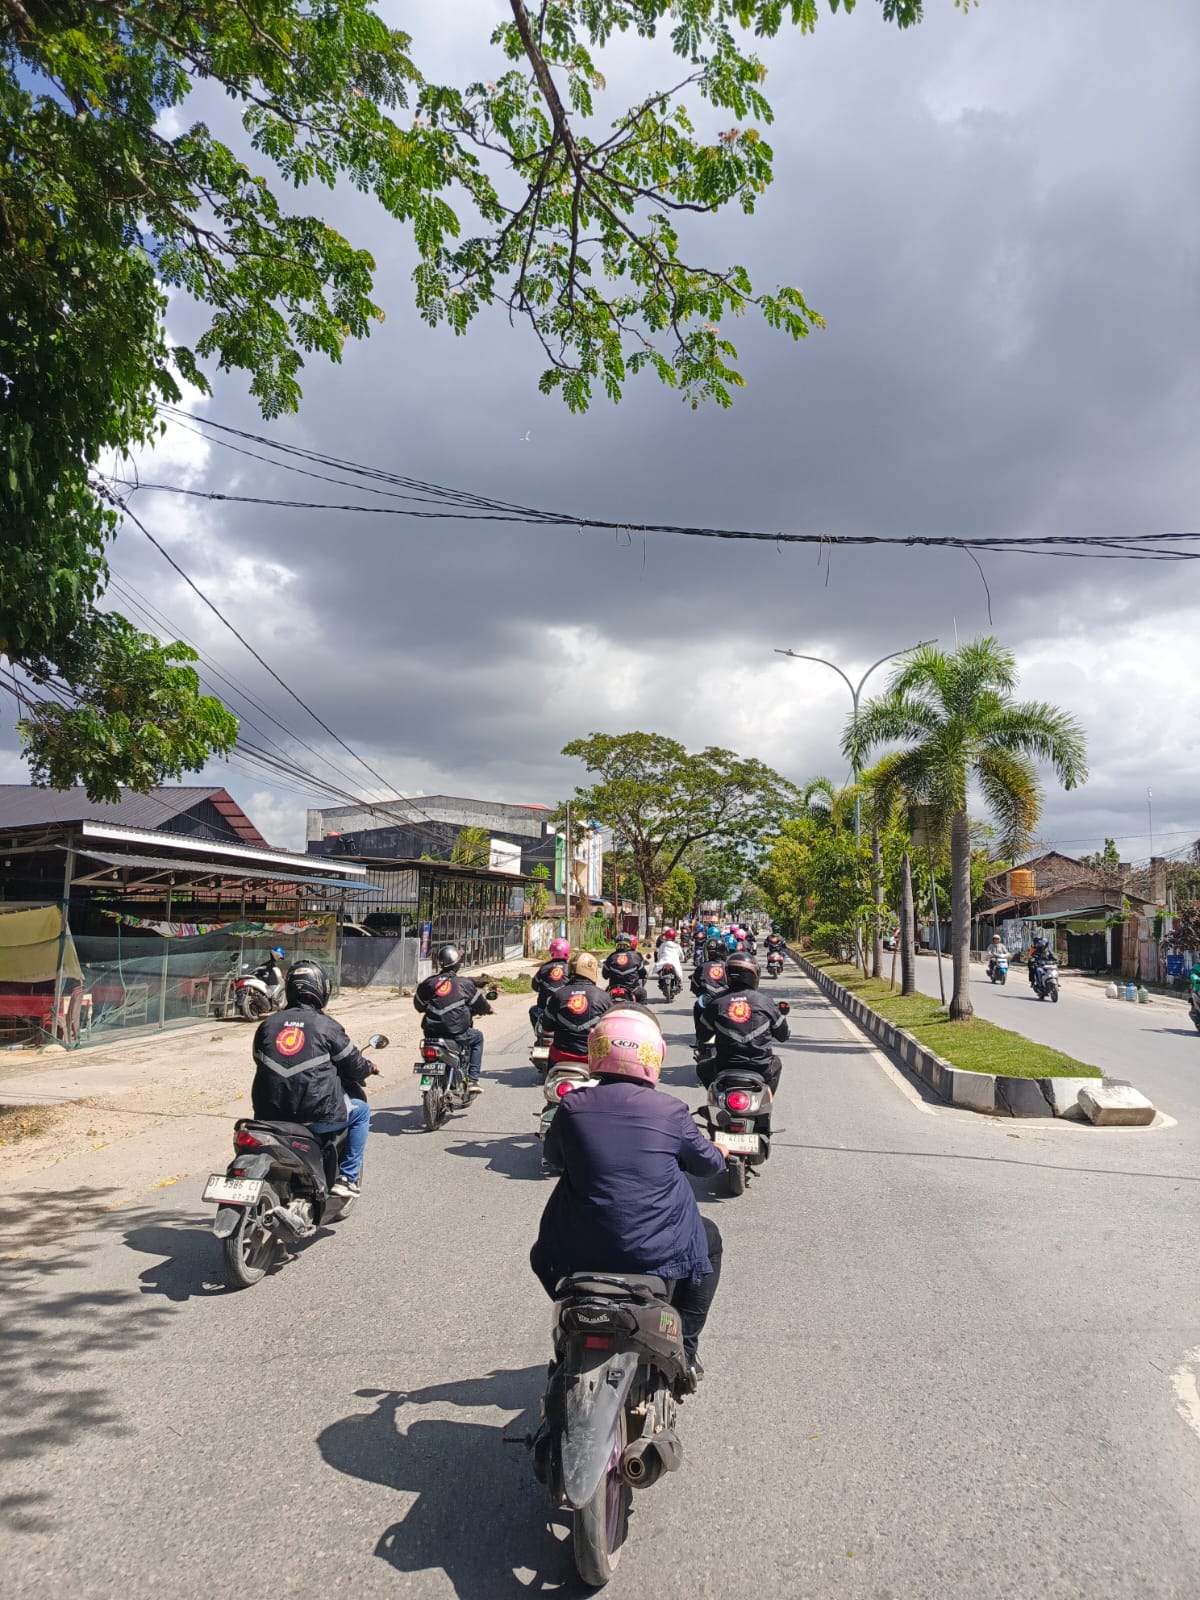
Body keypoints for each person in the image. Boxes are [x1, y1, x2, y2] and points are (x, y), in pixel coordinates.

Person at [531, 1005, 729, 1382]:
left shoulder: (572, 1106)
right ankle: (686, 1347)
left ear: (597, 1050)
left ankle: (574, 1314)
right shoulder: (671, 1111)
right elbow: (707, 1165)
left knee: (540, 1255)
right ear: (653, 1056)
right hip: (657, 1252)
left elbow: (554, 1157)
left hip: (575, 1246)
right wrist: (719, 1152)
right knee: (711, 1241)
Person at [251, 959, 377, 1197]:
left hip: (269, 1115)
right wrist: (369, 1067)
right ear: (321, 989)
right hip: (316, 1114)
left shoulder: (267, 1025)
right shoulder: (327, 1026)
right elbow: (354, 1066)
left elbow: (259, 1060)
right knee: (361, 1112)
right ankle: (348, 1178)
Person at [699, 953, 789, 1094]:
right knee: (776, 1063)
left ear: (728, 975)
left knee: (702, 1068)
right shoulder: (766, 1002)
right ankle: (766, 1099)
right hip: (761, 1067)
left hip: (724, 1065)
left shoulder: (716, 1003)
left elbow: (703, 1036)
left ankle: (716, 1098)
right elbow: (783, 1035)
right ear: (754, 975)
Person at [413, 943, 493, 1094]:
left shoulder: (428, 983)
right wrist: (488, 1009)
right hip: (456, 1033)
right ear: (457, 963)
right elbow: (481, 1005)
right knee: (477, 1038)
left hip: (431, 1034)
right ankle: (473, 1080)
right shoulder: (464, 984)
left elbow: (419, 1005)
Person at [543, 950, 613, 1063]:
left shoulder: (558, 995)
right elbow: (611, 1030)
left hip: (560, 1056)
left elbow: (547, 1026)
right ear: (593, 970)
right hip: (592, 1057)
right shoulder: (604, 997)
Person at [690, 937, 730, 1046]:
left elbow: (694, 987)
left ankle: (699, 1038)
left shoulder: (702, 967)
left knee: (697, 1006)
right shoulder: (727, 966)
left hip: (707, 1001)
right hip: (725, 1001)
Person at [529, 938, 571, 1035]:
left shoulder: (544, 968)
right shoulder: (570, 969)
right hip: (565, 1010)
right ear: (568, 952)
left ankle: (538, 1035)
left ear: (551, 952)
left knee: (532, 1011)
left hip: (543, 1009)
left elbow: (534, 986)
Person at [602, 932, 648, 1002]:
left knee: (604, 1000)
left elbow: (605, 975)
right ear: (629, 943)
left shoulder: (611, 957)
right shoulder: (636, 956)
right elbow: (643, 974)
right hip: (632, 990)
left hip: (613, 989)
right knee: (643, 993)